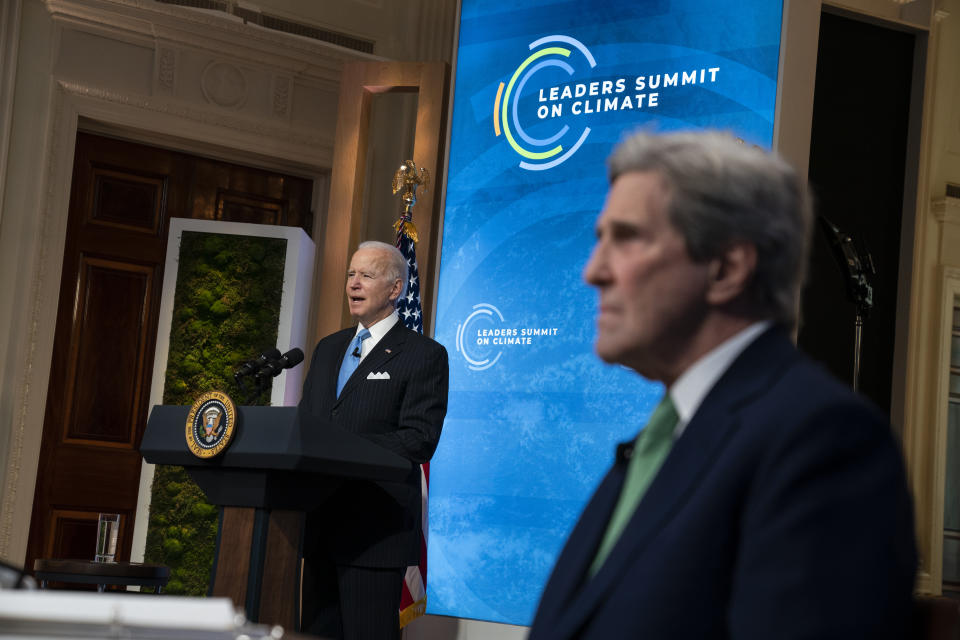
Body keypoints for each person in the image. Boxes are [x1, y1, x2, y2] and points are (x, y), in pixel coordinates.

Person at [528, 131, 917, 639]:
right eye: (600, 239)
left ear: (728, 267)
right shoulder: (667, 436)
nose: (593, 271)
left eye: (627, 238)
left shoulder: (824, 441)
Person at [297, 240, 448, 640]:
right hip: (319, 525)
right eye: (350, 274)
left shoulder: (424, 355)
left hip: (374, 533)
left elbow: (419, 439)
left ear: (395, 289)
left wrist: (346, 456)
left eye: (366, 275)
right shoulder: (328, 348)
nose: (353, 284)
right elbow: (307, 422)